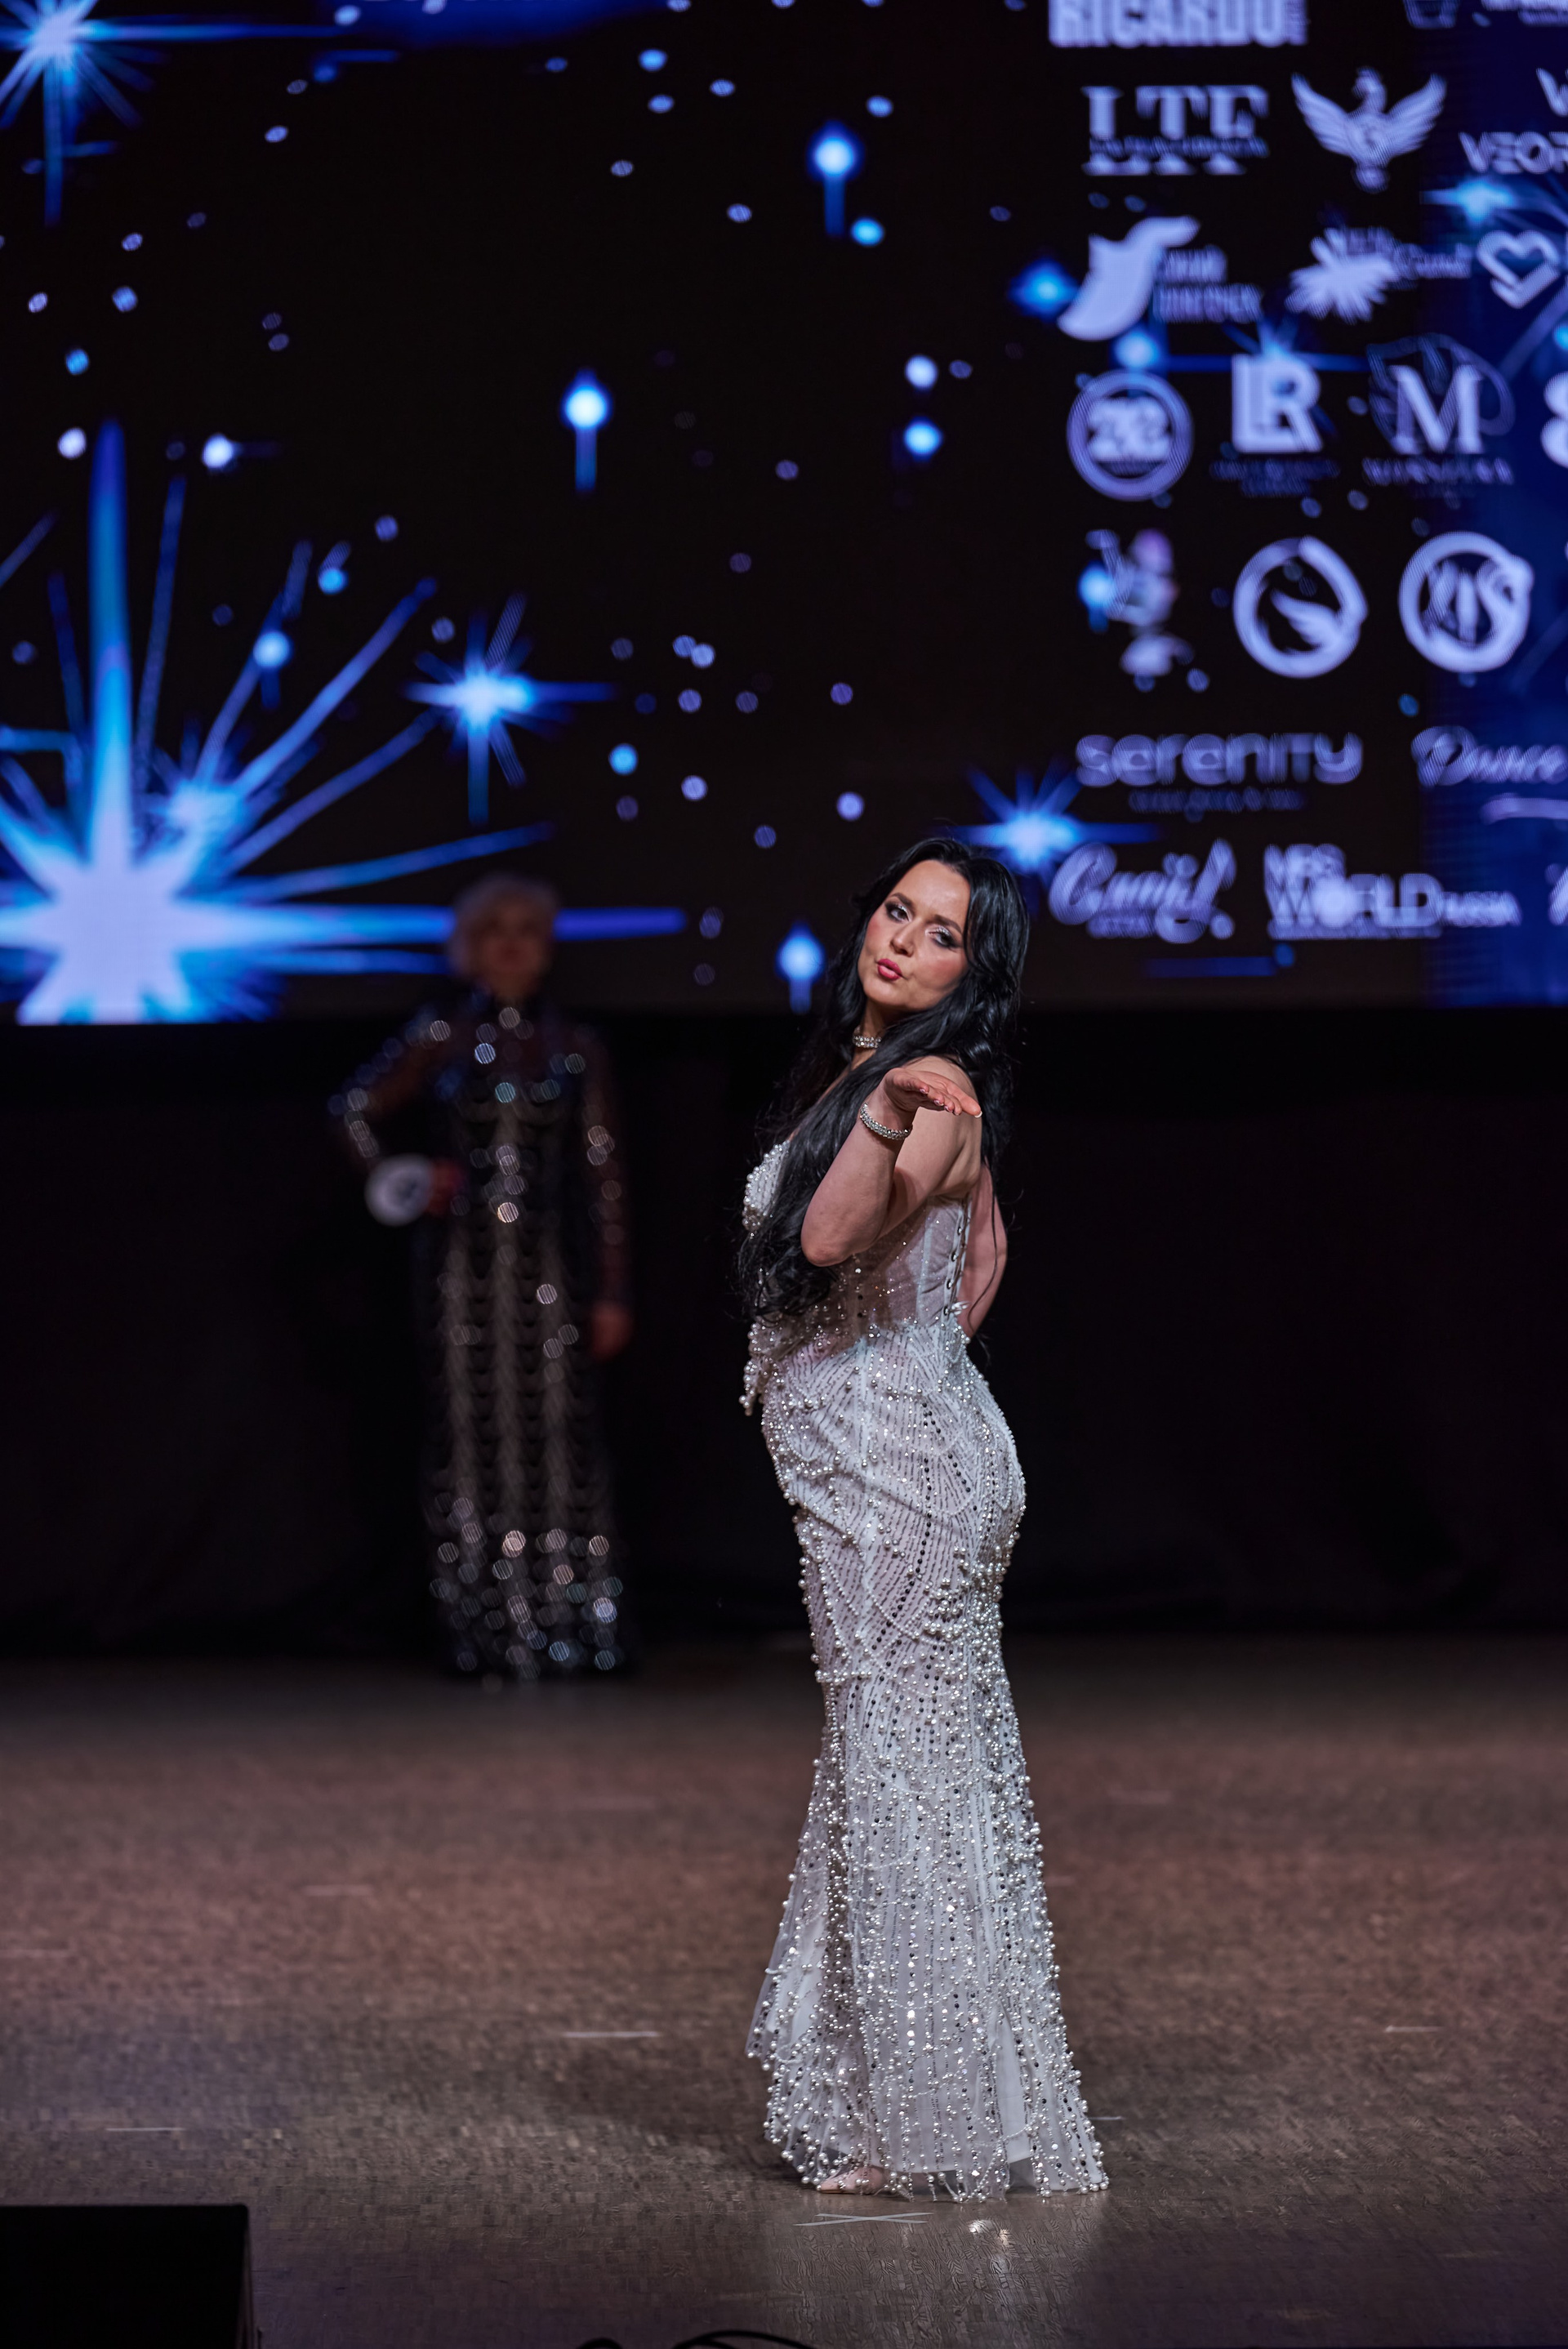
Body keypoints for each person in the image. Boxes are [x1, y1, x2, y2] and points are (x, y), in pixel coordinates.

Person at [738, 839, 1106, 2201]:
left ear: (975, 971)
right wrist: (918, 1362)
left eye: (942, 932)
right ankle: (928, 2101)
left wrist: (892, 1114)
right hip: (904, 1459)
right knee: (909, 1774)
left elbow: (829, 1242)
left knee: (905, 1779)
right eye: (898, 911)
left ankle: (932, 2122)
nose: (903, 940)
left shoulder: (927, 1091)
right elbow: (985, 1249)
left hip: (896, 1482)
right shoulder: (889, 1076)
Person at [332, 871, 633, 1680]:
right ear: (468, 948)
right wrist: (402, 1178)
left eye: (525, 931)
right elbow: (354, 1109)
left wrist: (612, 1289)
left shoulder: (574, 1045)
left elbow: (604, 1178)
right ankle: (483, 1627)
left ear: (545, 949)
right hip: (459, 1271)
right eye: (493, 931)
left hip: (549, 1265)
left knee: (559, 1434)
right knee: (469, 1436)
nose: (509, 945)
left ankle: (574, 1623)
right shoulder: (442, 1034)